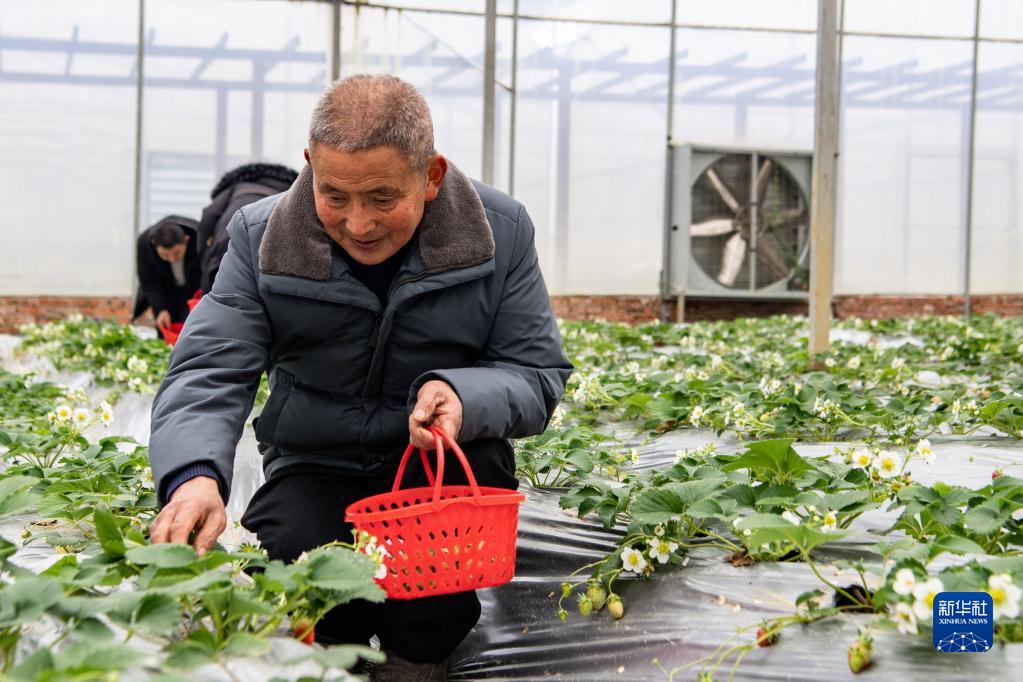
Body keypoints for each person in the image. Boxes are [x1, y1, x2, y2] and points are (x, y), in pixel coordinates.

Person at [147, 74, 572, 680]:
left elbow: (535, 372)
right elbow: (209, 369)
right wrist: (192, 477)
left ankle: (417, 659)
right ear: (310, 168)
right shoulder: (259, 236)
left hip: (441, 467)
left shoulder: (498, 234)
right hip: (317, 462)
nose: (359, 224)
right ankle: (330, 655)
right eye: (336, 196)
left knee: (433, 606)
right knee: (301, 576)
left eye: (382, 197)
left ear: (431, 176)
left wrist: (462, 395)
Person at [196, 163, 298, 294]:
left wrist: (204, 254)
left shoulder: (236, 187)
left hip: (228, 238)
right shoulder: (291, 192)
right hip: (272, 239)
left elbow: (208, 216)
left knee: (215, 290)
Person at [132, 216, 201, 329]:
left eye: (177, 254)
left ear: (186, 240)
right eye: (165, 256)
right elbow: (149, 281)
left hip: (194, 288)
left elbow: (209, 274)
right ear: (155, 246)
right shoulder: (145, 243)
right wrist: (160, 309)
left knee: (192, 325)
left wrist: (200, 300)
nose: (172, 259)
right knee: (165, 325)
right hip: (165, 290)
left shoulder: (199, 237)